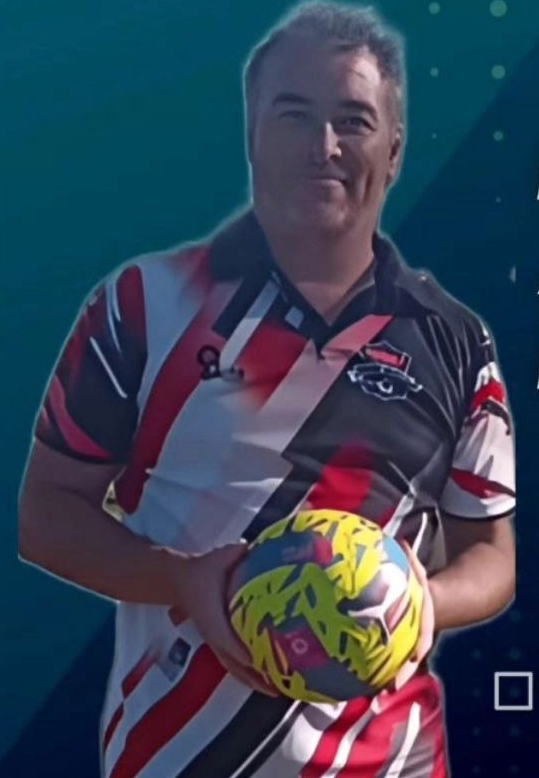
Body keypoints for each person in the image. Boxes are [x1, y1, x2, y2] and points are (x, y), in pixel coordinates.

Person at [19, 2, 516, 777]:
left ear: (392, 149)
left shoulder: (457, 341)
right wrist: (180, 578)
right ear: (251, 134)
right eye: (294, 116)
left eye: (352, 120)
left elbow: (490, 553)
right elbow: (45, 516)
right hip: (174, 759)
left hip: (392, 763)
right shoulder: (142, 306)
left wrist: (424, 602)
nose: (324, 146)